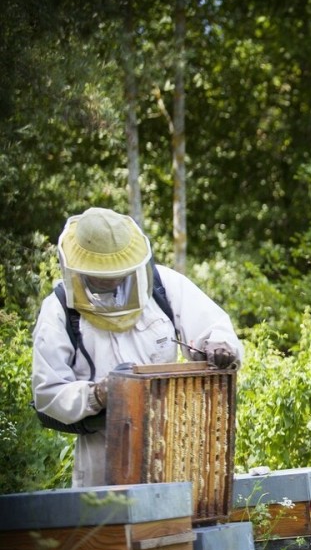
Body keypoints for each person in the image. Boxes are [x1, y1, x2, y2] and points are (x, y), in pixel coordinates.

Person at [31, 207, 243, 487]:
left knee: (177, 524)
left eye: (116, 273)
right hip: (102, 454)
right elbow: (47, 393)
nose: (110, 280)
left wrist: (218, 345)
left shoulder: (164, 286)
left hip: (175, 447)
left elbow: (213, 327)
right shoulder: (58, 310)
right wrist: (96, 394)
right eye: (101, 274)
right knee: (110, 529)